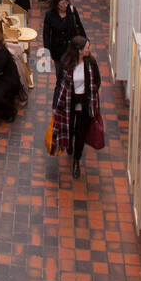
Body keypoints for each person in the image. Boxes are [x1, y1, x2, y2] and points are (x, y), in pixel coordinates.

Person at [51, 35, 101, 178]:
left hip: (84, 102)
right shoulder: (66, 62)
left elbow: (97, 80)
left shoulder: (90, 62)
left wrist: (92, 94)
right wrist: (55, 105)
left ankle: (76, 161)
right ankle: (69, 144)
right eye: (87, 47)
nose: (89, 49)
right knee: (69, 127)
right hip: (69, 101)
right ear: (79, 50)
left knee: (81, 132)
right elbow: (59, 84)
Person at [42, 0, 85, 79]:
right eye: (62, 3)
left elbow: (79, 26)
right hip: (57, 50)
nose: (65, 5)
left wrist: (85, 43)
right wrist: (47, 52)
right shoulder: (49, 14)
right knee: (60, 74)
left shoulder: (72, 11)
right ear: (56, 4)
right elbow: (46, 34)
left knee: (72, 73)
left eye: (66, 2)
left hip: (71, 49)